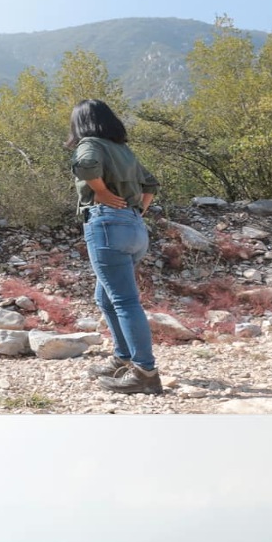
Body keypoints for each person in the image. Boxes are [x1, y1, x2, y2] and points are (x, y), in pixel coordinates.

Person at [67, 99, 164, 395]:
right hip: (134, 229)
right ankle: (123, 359)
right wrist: (137, 210)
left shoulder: (90, 144)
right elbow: (150, 184)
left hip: (108, 225)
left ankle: (145, 373)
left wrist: (102, 192)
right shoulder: (122, 150)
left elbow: (86, 165)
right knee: (106, 298)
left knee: (124, 301)